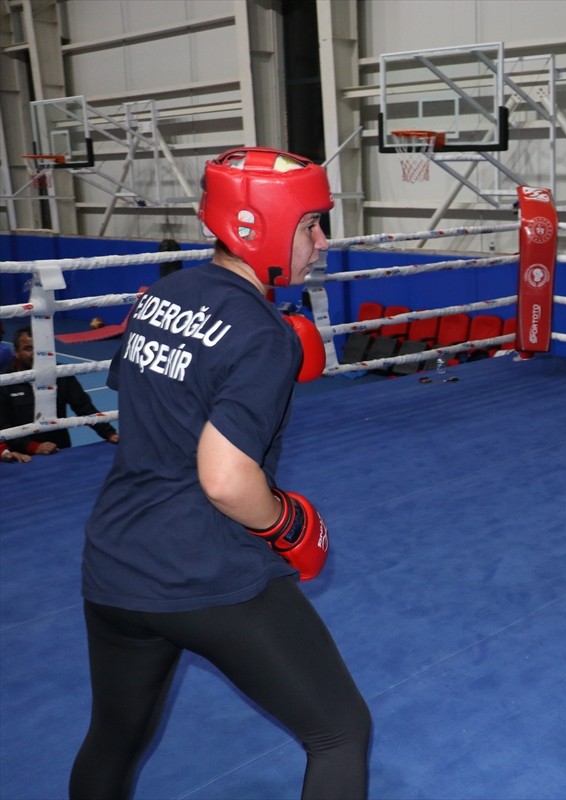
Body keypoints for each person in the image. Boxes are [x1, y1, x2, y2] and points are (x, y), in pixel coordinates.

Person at [69, 147, 371, 799]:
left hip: (116, 565)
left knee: (114, 739)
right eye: (311, 224)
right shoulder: (264, 334)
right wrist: (288, 523)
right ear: (260, 224)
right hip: (207, 572)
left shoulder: (162, 295)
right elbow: (226, 480)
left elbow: (142, 413)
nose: (322, 242)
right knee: (340, 733)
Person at [0, 326, 119, 458]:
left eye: (40, 348)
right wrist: (33, 447)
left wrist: (109, 433)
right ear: (16, 352)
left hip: (59, 450)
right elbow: (3, 426)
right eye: (28, 348)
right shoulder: (5, 381)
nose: (35, 353)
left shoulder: (60, 373)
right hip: (22, 457)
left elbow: (84, 408)